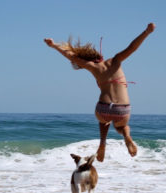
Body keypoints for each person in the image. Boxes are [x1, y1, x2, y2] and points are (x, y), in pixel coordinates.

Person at [44, 23, 156, 162]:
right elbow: (132, 48)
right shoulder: (116, 60)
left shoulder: (91, 66)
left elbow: (71, 56)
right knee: (122, 127)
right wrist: (146, 32)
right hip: (122, 109)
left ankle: (102, 142)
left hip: (103, 107)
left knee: (104, 122)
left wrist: (54, 45)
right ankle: (127, 137)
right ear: (99, 55)